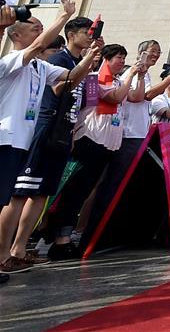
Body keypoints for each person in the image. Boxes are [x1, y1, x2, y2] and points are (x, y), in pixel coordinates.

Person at [0, 17, 100, 272]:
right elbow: (56, 87)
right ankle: (3, 255)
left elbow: (70, 80)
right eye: (33, 26)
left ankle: (18, 249)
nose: (40, 29)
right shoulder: (13, 61)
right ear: (16, 35)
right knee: (17, 195)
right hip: (21, 135)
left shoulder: (41, 66)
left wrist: (90, 58)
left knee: (40, 193)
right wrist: (64, 15)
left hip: (41, 135)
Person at [46, 44, 146, 258]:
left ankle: (68, 236)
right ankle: (60, 240)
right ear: (106, 60)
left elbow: (137, 97)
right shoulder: (92, 78)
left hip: (108, 143)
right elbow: (113, 98)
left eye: (124, 58)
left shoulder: (119, 81)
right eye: (119, 57)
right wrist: (130, 75)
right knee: (76, 191)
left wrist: (139, 77)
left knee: (86, 191)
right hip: (90, 140)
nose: (122, 61)